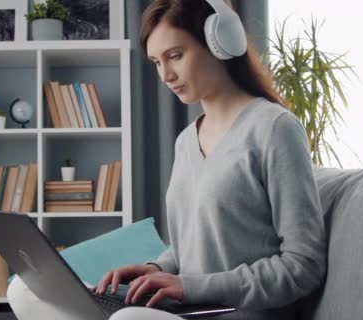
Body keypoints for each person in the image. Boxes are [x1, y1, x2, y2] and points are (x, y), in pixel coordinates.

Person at [95, 0, 328, 319]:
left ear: (220, 43)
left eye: (175, 55)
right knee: (26, 291)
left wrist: (192, 288)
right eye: (156, 62)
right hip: (186, 311)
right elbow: (193, 247)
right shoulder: (185, 141)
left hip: (241, 314)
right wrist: (155, 269)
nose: (165, 74)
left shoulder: (274, 128)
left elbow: (303, 266)